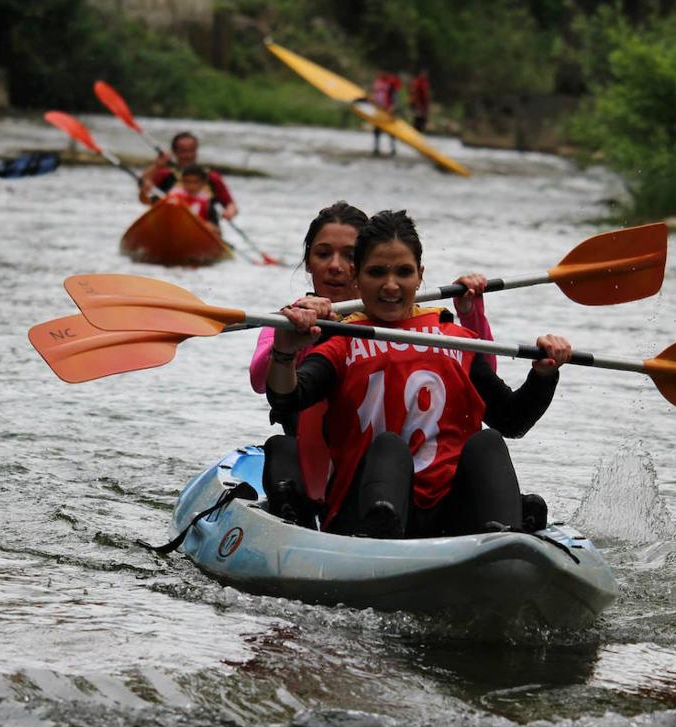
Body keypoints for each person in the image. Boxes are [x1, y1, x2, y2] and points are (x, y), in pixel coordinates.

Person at [266, 209, 570, 539]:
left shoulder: (455, 338)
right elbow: (286, 399)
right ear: (357, 278)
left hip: (448, 517)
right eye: (377, 272)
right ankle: (381, 539)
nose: (391, 285)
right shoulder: (341, 341)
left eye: (403, 272)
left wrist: (543, 376)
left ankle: (504, 541)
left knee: (488, 443)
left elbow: (512, 421)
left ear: (420, 275)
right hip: (364, 512)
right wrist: (284, 352)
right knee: (389, 446)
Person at [252, 202, 498, 527]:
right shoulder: (292, 317)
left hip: (402, 464)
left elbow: (481, 378)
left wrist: (469, 312)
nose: (336, 266)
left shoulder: (414, 321)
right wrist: (300, 335)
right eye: (324, 254)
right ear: (308, 263)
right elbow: (260, 379)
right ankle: (295, 518)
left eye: (349, 254)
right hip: (326, 463)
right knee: (280, 448)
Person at [138, 131, 237, 221]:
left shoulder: (211, 177)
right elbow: (143, 194)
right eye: (183, 151)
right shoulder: (164, 175)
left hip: (202, 227)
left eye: (192, 150)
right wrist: (156, 165)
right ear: (175, 152)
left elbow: (230, 205)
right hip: (167, 223)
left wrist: (229, 212)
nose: (188, 155)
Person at [165, 164, 219, 233]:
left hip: (196, 235)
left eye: (196, 182)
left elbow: (217, 230)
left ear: (203, 183)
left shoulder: (208, 203)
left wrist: (211, 227)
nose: (191, 186)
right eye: (187, 182)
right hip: (174, 231)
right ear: (182, 181)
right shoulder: (173, 197)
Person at [370, 71, 401, 156]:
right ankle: (376, 148)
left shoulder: (390, 83)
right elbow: (374, 94)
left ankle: (393, 149)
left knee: (391, 130)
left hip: (388, 110)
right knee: (377, 129)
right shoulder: (378, 82)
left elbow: (394, 95)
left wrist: (393, 106)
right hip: (379, 110)